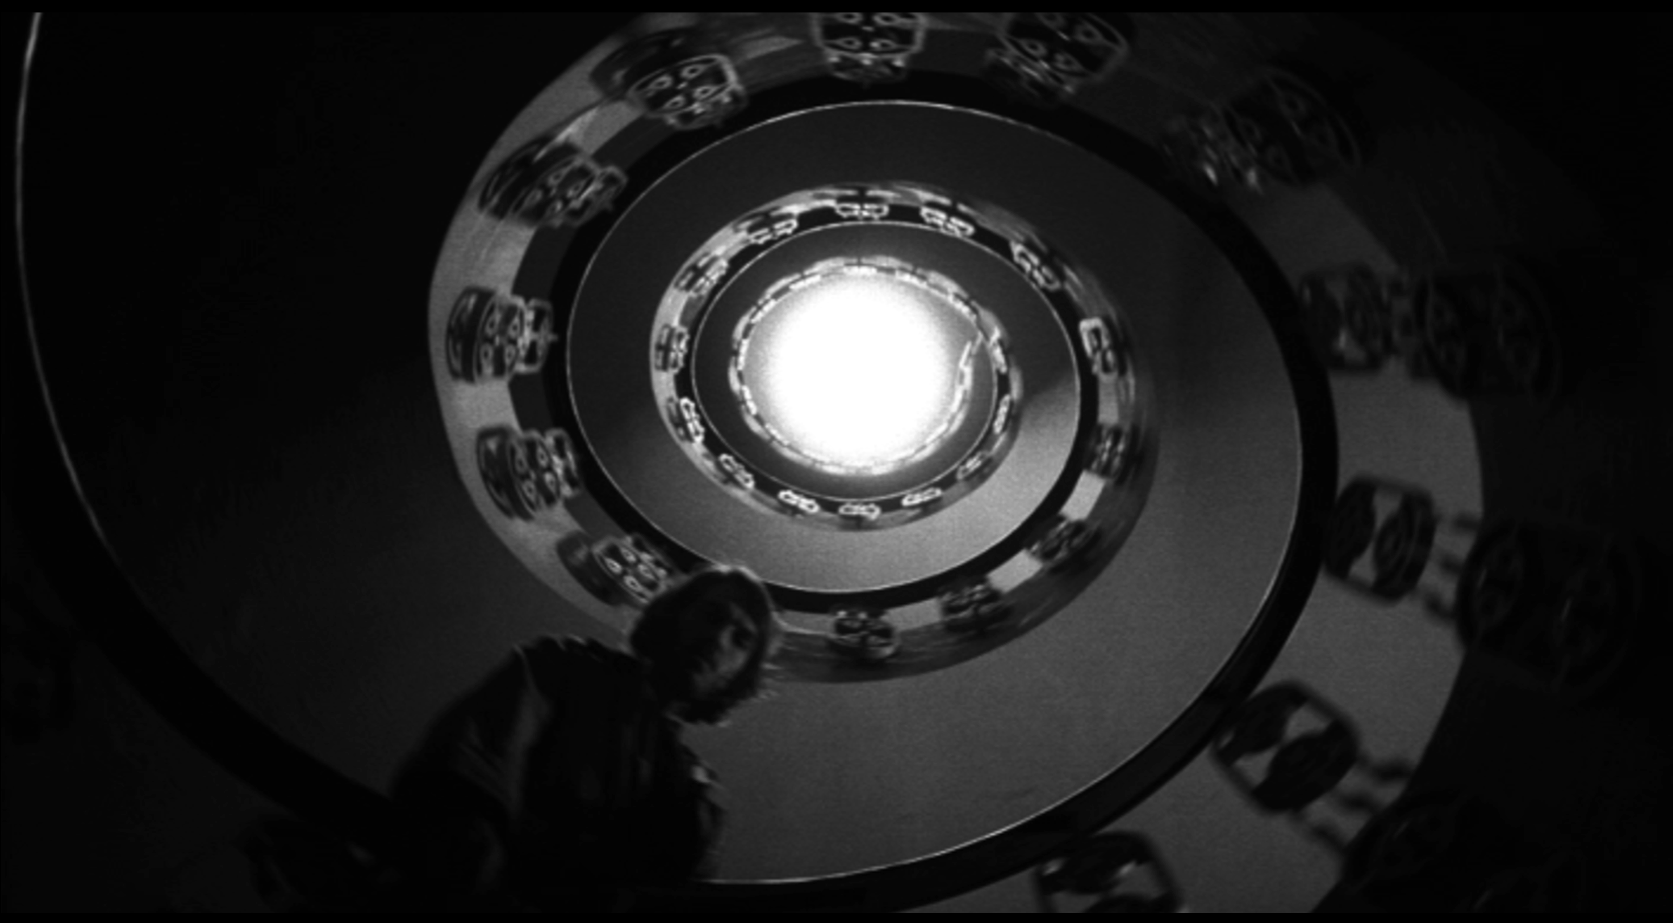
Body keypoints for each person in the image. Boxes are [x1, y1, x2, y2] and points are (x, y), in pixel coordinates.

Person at [387, 564, 780, 910]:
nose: (718, 639)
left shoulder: (699, 795)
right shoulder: (567, 667)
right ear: (676, 614)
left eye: (741, 639)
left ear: (738, 674)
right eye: (712, 615)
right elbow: (476, 760)